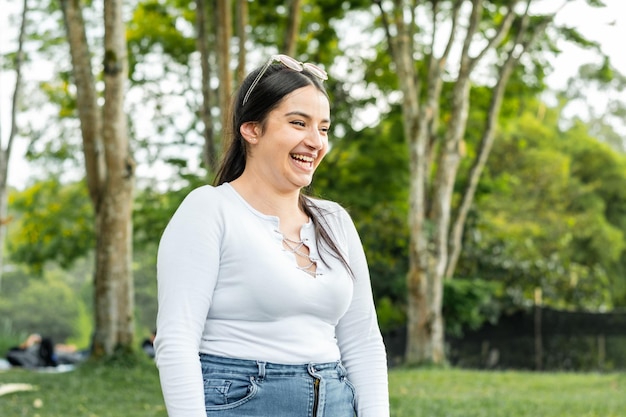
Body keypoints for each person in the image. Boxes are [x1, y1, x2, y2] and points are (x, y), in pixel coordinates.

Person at [154, 53, 390, 417]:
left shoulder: (334, 220)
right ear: (252, 129)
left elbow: (363, 341)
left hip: (337, 401)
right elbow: (176, 341)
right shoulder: (209, 209)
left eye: (323, 128)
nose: (316, 142)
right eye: (299, 123)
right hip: (243, 401)